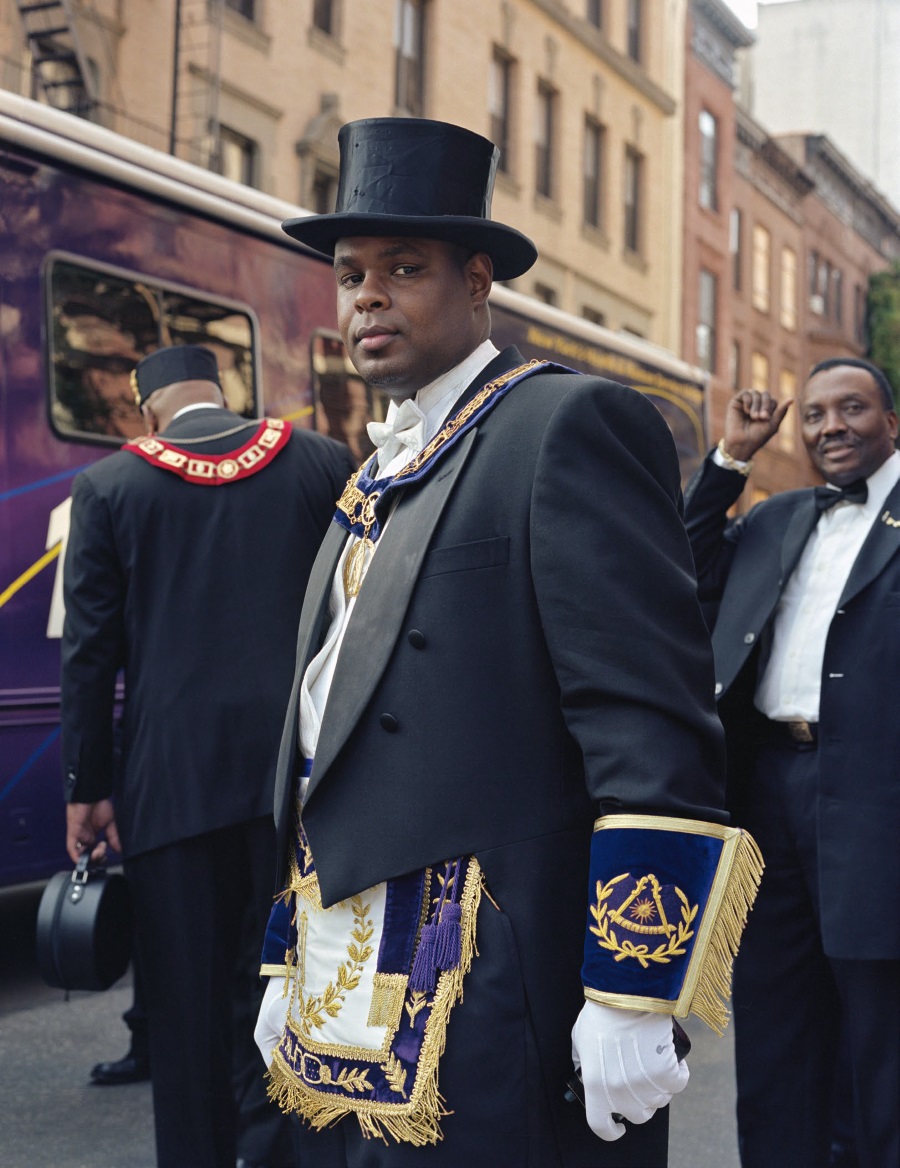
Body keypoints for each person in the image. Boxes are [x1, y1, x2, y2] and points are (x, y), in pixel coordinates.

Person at [252, 117, 762, 1168]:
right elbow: (321, 740)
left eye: (404, 268)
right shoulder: (373, 471)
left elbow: (649, 722)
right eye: (351, 276)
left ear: (478, 280)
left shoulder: (563, 425)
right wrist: (283, 957)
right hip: (344, 969)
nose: (367, 298)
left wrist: (631, 987)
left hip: (484, 973)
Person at [61, 344, 356, 1168]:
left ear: (150, 410)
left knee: (185, 1027)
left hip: (169, 794)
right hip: (296, 791)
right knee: (293, 1004)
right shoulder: (321, 462)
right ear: (222, 395)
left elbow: (90, 655)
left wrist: (87, 789)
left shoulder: (110, 486)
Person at [683, 358, 900, 1168]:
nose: (830, 426)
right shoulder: (778, 518)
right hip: (770, 788)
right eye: (814, 414)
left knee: (879, 1030)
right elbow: (683, 562)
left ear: (891, 422)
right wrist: (731, 459)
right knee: (775, 1021)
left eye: (852, 409)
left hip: (877, 795)